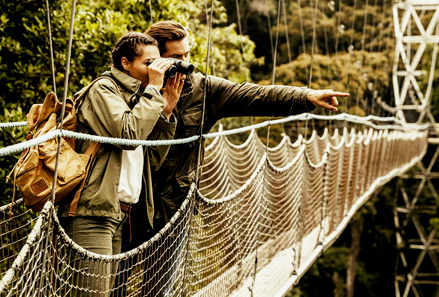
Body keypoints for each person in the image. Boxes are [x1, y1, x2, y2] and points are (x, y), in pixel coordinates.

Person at [120, 21, 349, 294]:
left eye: (187, 55)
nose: (184, 64)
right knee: (115, 287)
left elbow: (257, 95)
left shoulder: (204, 90)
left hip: (174, 208)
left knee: (159, 291)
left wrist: (307, 96)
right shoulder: (129, 88)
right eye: (175, 58)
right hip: (130, 208)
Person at [57, 31, 183, 296]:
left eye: (157, 63)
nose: (154, 71)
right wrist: (153, 92)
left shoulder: (138, 97)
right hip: (92, 211)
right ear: (126, 63)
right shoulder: (104, 89)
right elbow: (127, 135)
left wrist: (166, 113)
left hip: (120, 213)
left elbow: (150, 159)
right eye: (148, 64)